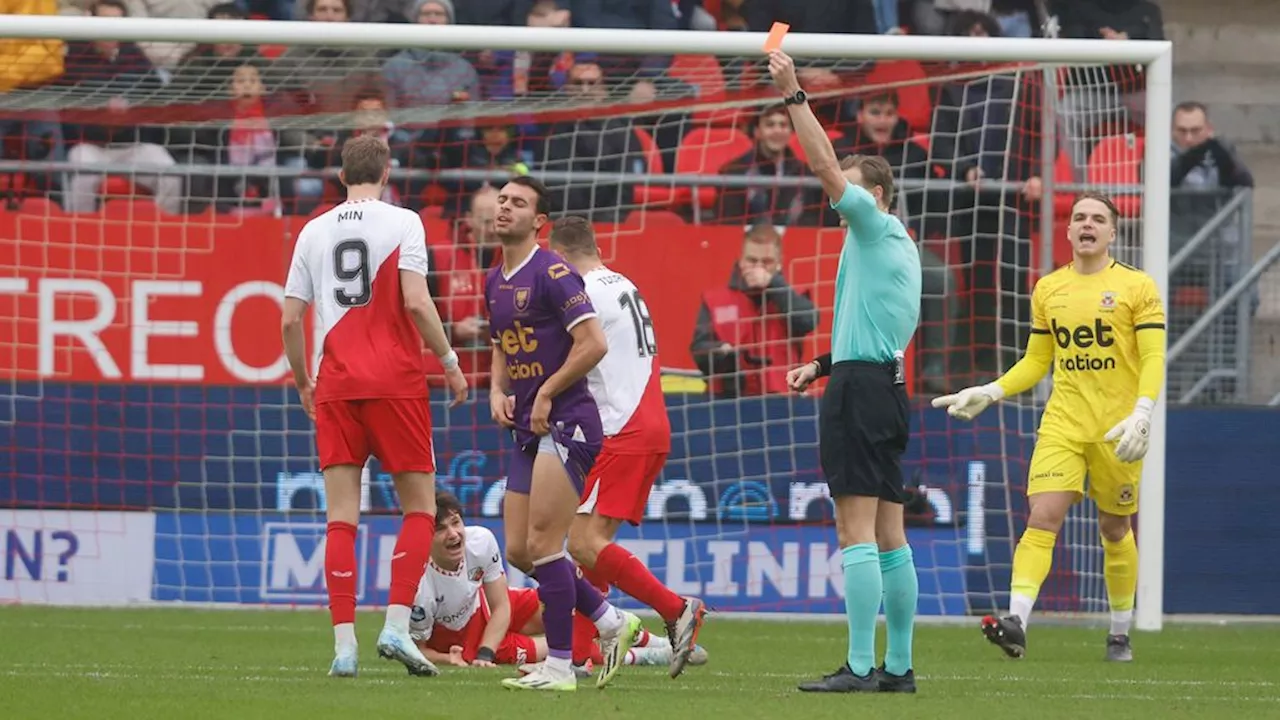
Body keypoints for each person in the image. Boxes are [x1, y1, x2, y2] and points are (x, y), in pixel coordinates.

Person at [932, 192, 1166, 663]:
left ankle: (1120, 632)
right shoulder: (1048, 289)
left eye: (1098, 218)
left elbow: (1154, 356)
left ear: (1113, 233)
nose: (1087, 224)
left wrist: (1142, 411)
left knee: (1115, 527)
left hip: (1118, 429)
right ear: (1068, 230)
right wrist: (992, 390)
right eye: (1079, 217)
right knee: (1043, 517)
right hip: (1062, 422)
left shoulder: (1138, 287)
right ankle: (1017, 620)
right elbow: (1038, 360)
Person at [281, 135, 470, 678]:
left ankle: (344, 646)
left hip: (335, 383)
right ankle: (393, 625)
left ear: (341, 175)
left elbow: (290, 319)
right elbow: (415, 299)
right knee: (418, 507)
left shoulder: (313, 231)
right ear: (387, 172)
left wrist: (302, 382)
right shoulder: (404, 222)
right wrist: (450, 359)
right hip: (396, 381)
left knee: (341, 518)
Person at [766, 50, 922, 694]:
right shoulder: (890, 248)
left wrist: (793, 92)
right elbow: (880, 334)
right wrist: (821, 363)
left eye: (851, 191)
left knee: (853, 527)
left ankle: (859, 667)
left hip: (861, 394)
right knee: (890, 532)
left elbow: (826, 167)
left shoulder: (874, 226)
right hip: (879, 382)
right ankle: (900, 667)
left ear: (875, 195)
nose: (838, 202)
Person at [484, 177, 641, 691]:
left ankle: (561, 666)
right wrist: (495, 390)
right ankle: (612, 621)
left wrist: (548, 391)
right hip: (529, 426)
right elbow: (502, 344)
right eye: (503, 200)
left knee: (545, 542)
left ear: (539, 222)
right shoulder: (494, 279)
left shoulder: (553, 273)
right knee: (519, 550)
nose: (506, 208)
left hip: (568, 420)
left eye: (519, 203)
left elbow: (593, 343)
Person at [547, 216, 708, 679]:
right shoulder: (622, 284)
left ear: (560, 257)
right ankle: (577, 653)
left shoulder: (584, 295)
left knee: (582, 543)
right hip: (650, 424)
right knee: (591, 545)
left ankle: (675, 609)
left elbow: (570, 355)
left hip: (624, 427)